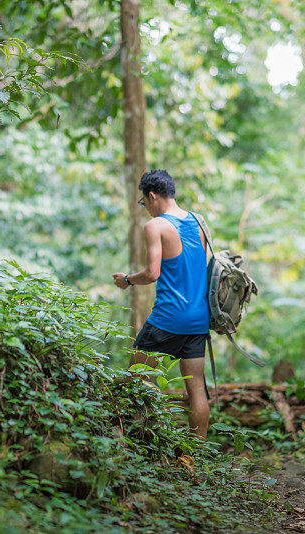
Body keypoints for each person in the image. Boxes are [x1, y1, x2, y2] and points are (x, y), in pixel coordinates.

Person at [113, 169, 211, 439]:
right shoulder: (197, 221)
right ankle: (197, 456)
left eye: (143, 203)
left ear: (152, 196)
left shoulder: (156, 226)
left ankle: (150, 444)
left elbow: (152, 273)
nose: (145, 209)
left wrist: (128, 280)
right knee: (197, 389)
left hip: (168, 319)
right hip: (199, 319)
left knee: (137, 377)